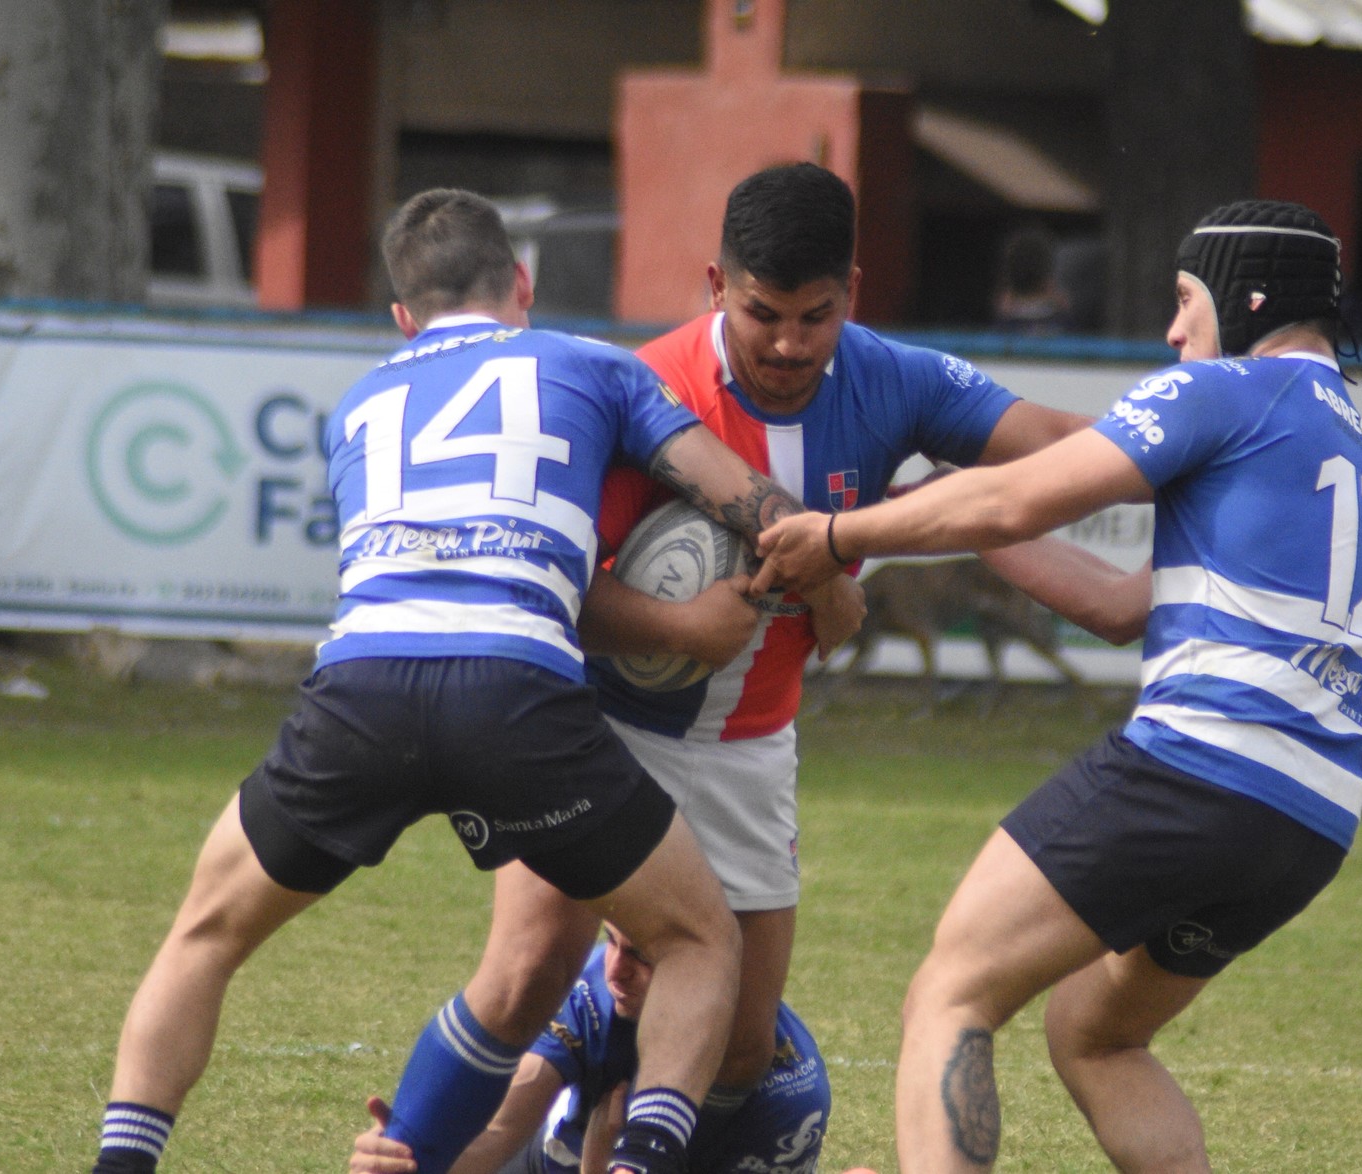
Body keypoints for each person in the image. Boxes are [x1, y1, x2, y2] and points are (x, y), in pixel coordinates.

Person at [373, 162, 1097, 1172]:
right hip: (603, 730)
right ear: (717, 285)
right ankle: (432, 1143)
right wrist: (681, 628)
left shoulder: (894, 381)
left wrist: (1199, 452)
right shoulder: (641, 390)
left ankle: (605, 1090)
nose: (789, 344)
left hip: (751, 745)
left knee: (745, 1048)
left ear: (852, 290)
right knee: (529, 968)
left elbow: (1062, 449)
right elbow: (554, 591)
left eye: (816, 315)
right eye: (763, 314)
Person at [88, 187, 823, 1174]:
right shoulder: (591, 363)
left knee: (205, 934)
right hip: (514, 691)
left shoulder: (359, 406)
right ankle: (641, 1162)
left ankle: (121, 1163)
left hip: (361, 689)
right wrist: (824, 579)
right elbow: (752, 503)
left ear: (404, 316)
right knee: (697, 936)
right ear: (520, 281)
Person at [752, 199, 1362, 1172]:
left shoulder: (1225, 391)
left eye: (1183, 300)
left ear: (1244, 298)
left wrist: (840, 534)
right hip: (1309, 821)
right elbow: (1114, 604)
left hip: (1198, 769)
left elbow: (1016, 493)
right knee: (1096, 1034)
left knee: (952, 990)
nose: (1172, 331)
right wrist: (946, 510)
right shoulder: (1350, 445)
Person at [348, 923, 829, 1174]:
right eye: (611, 940)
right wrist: (414, 1154)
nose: (614, 970)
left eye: (640, 955)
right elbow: (499, 1130)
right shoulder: (592, 989)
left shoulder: (786, 1094)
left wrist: (599, 1166)